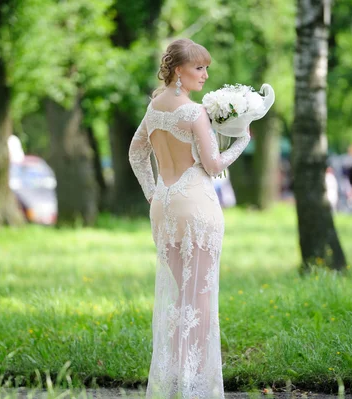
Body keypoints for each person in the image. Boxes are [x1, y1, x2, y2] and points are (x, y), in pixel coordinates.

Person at [128, 38, 250, 399]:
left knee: (181, 296)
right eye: (199, 68)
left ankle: (178, 378)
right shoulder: (193, 112)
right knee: (199, 299)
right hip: (195, 205)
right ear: (179, 69)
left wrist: (153, 192)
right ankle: (196, 385)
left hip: (164, 206)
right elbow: (213, 166)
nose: (205, 74)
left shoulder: (153, 109)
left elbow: (136, 155)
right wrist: (240, 141)